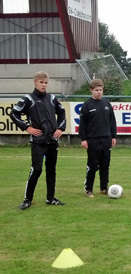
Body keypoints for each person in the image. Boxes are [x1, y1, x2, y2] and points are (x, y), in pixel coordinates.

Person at [9, 71, 67, 210]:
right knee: (37, 169)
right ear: (35, 82)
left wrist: (60, 128)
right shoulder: (28, 99)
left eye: (46, 82)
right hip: (38, 142)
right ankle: (27, 200)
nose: (44, 85)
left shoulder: (52, 98)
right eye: (41, 82)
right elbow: (14, 113)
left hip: (52, 141)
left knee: (51, 170)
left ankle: (50, 198)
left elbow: (62, 112)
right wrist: (27, 127)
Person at [78, 79, 117, 197]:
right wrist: (83, 139)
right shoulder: (87, 105)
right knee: (93, 165)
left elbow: (112, 121)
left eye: (101, 90)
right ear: (91, 90)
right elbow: (83, 124)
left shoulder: (106, 103)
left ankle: (104, 188)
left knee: (105, 164)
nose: (99, 92)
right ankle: (88, 189)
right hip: (93, 139)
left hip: (106, 138)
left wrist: (113, 136)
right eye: (96, 90)